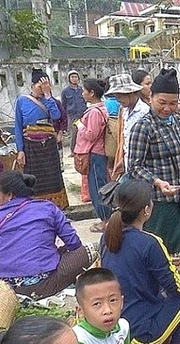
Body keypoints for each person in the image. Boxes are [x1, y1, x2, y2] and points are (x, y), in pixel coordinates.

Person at [101, 179, 180, 344]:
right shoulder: (150, 243)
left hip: (116, 328)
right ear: (146, 210)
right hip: (141, 335)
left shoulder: (106, 238)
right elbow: (178, 287)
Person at [0, 171, 98, 299]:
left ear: (9, 195)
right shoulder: (47, 207)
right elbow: (74, 243)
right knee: (95, 247)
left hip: (5, 288)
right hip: (43, 285)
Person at [127, 68, 180, 257]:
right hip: (157, 203)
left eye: (173, 103)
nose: (167, 108)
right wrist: (157, 182)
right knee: (160, 253)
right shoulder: (143, 126)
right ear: (151, 97)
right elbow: (134, 167)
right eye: (162, 102)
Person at [74, 268, 178, 344]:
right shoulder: (79, 340)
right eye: (97, 304)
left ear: (122, 302)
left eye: (113, 300)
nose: (107, 310)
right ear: (80, 310)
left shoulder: (122, 327)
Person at [14, 68, 67, 210]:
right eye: (40, 86)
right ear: (32, 85)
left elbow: (56, 116)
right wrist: (20, 150)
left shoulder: (50, 101)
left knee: (52, 179)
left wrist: (48, 95)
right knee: (33, 180)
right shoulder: (22, 101)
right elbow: (18, 126)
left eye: (46, 86)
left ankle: (55, 208)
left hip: (48, 146)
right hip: (30, 146)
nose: (42, 89)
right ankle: (34, 208)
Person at [74, 79, 111, 233]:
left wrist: (80, 125)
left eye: (84, 91)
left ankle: (106, 221)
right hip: (96, 153)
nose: (82, 93)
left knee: (98, 188)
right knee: (97, 186)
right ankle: (106, 219)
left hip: (95, 154)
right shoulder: (100, 108)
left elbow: (91, 134)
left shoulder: (95, 112)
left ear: (92, 93)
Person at [107, 73, 151, 182]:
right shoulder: (124, 111)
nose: (118, 100)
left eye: (120, 96)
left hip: (144, 167)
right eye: (116, 96)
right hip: (128, 165)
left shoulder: (145, 111)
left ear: (131, 93)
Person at [61, 70, 87, 157]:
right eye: (72, 77)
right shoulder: (65, 91)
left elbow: (85, 101)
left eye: (76, 77)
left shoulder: (82, 90)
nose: (74, 79)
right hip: (72, 115)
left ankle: (83, 149)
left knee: (84, 132)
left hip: (82, 114)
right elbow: (63, 105)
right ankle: (73, 151)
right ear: (69, 79)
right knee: (74, 134)